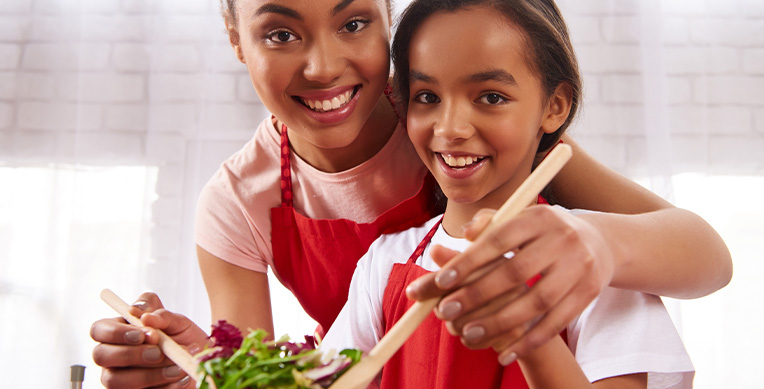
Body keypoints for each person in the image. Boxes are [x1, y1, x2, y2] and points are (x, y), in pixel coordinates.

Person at [89, 0, 730, 387]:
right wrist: (200, 365)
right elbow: (283, 374)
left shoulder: (510, 157)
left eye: (354, 22)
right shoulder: (248, 206)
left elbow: (702, 252)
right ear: (237, 41)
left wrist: (597, 247)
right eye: (280, 33)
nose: (322, 68)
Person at [320, 1, 694, 387]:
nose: (450, 129)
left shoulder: (591, 263)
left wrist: (526, 330)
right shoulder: (383, 264)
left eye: (491, 97)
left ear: (555, 106)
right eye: (428, 97)